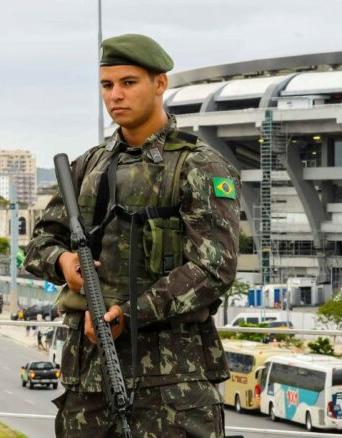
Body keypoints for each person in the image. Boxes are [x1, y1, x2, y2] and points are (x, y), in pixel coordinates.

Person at [25, 34, 241, 437]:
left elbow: (214, 268)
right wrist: (64, 262)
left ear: (160, 84)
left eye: (128, 83)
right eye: (107, 86)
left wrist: (131, 314)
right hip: (89, 382)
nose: (115, 96)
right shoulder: (88, 166)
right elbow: (39, 243)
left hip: (171, 385)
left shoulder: (199, 166)